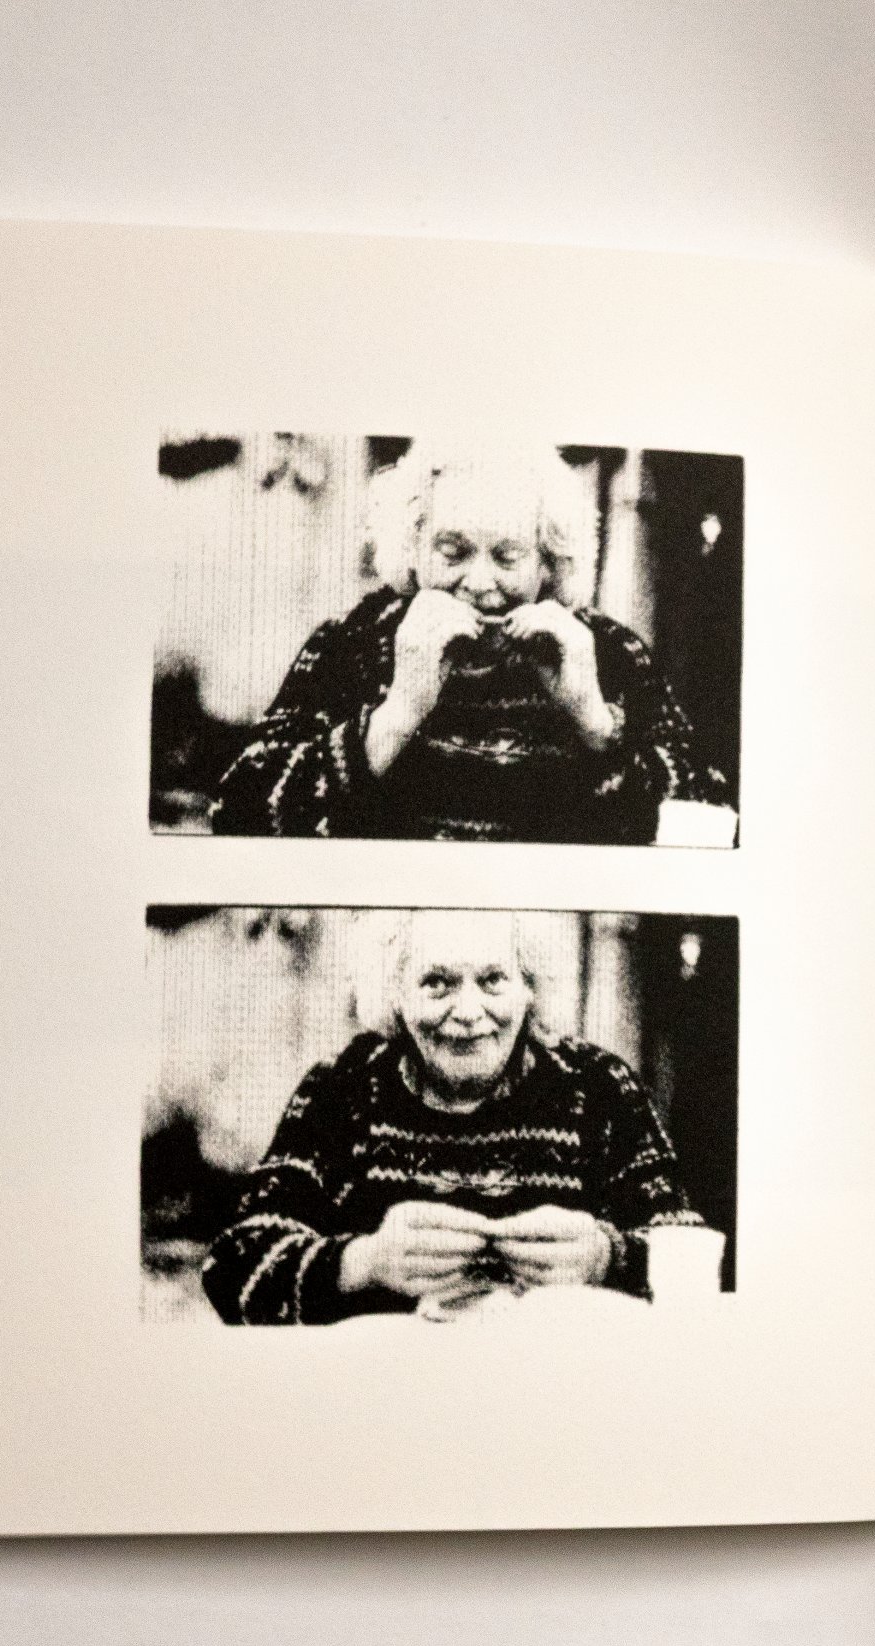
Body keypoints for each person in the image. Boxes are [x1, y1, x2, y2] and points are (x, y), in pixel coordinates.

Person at [202, 910, 708, 1324]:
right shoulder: (342, 1088)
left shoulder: (598, 1087)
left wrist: (606, 1257)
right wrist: (363, 1263)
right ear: (394, 994)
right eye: (437, 983)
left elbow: (695, 1266)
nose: (468, 1011)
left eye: (493, 980)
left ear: (528, 988)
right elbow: (232, 1268)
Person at [211, 448, 724, 843]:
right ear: (413, 548)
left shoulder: (608, 653)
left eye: (507, 557)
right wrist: (397, 714)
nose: (478, 584)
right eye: (452, 552)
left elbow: (709, 825)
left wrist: (594, 719)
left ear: (548, 562)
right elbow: (237, 815)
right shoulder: (352, 642)